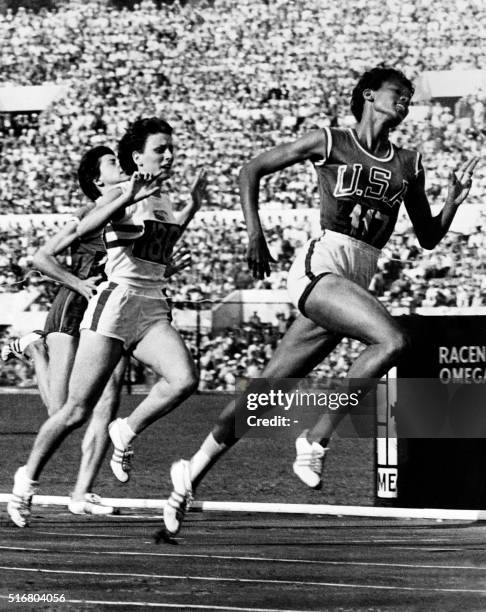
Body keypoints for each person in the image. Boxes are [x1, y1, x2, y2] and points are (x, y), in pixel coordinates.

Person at [162, 66, 478, 536]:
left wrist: (451, 202)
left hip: (358, 274)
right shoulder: (331, 141)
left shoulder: (410, 163)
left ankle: (188, 474)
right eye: (399, 93)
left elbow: (428, 236)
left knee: (265, 394)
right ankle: (316, 438)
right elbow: (252, 168)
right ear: (369, 95)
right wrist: (256, 233)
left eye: (411, 97)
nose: (406, 102)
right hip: (322, 264)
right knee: (392, 341)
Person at [8, 117, 207, 527]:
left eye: (171, 148)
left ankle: (125, 431)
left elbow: (157, 246)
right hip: (114, 305)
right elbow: (79, 231)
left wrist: (192, 209)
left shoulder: (161, 197)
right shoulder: (120, 192)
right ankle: (25, 483)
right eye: (160, 149)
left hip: (151, 305)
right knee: (74, 410)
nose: (169, 155)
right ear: (137, 157)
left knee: (184, 380)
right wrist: (125, 196)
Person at [3, 145, 162, 515]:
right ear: (95, 180)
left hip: (110, 308)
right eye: (111, 163)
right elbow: (41, 258)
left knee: (109, 400)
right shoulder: (92, 211)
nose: (120, 166)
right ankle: (34, 349)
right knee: (62, 410)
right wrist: (77, 284)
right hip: (75, 304)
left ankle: (81, 493)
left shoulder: (134, 207)